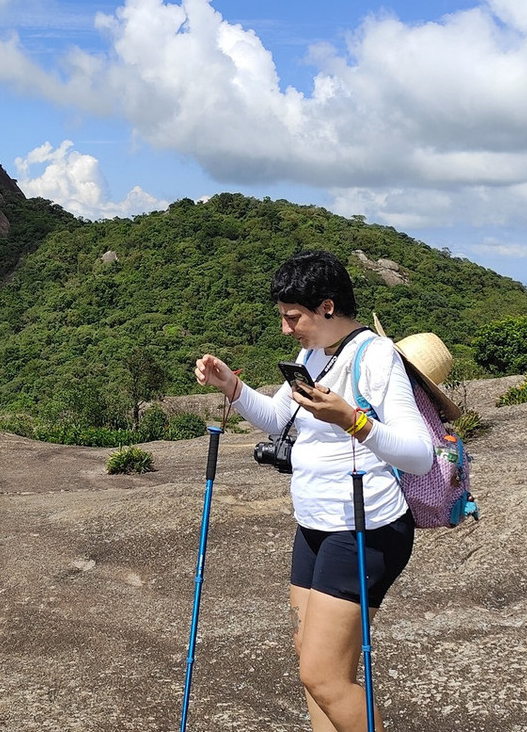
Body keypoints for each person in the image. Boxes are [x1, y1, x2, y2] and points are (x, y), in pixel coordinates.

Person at [194, 249, 433, 732]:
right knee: (315, 667)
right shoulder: (313, 355)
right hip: (316, 524)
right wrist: (232, 388)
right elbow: (280, 418)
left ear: (327, 306)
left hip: (364, 527)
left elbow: (420, 453)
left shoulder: (374, 356)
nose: (286, 328)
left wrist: (352, 420)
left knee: (323, 674)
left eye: (292, 316)